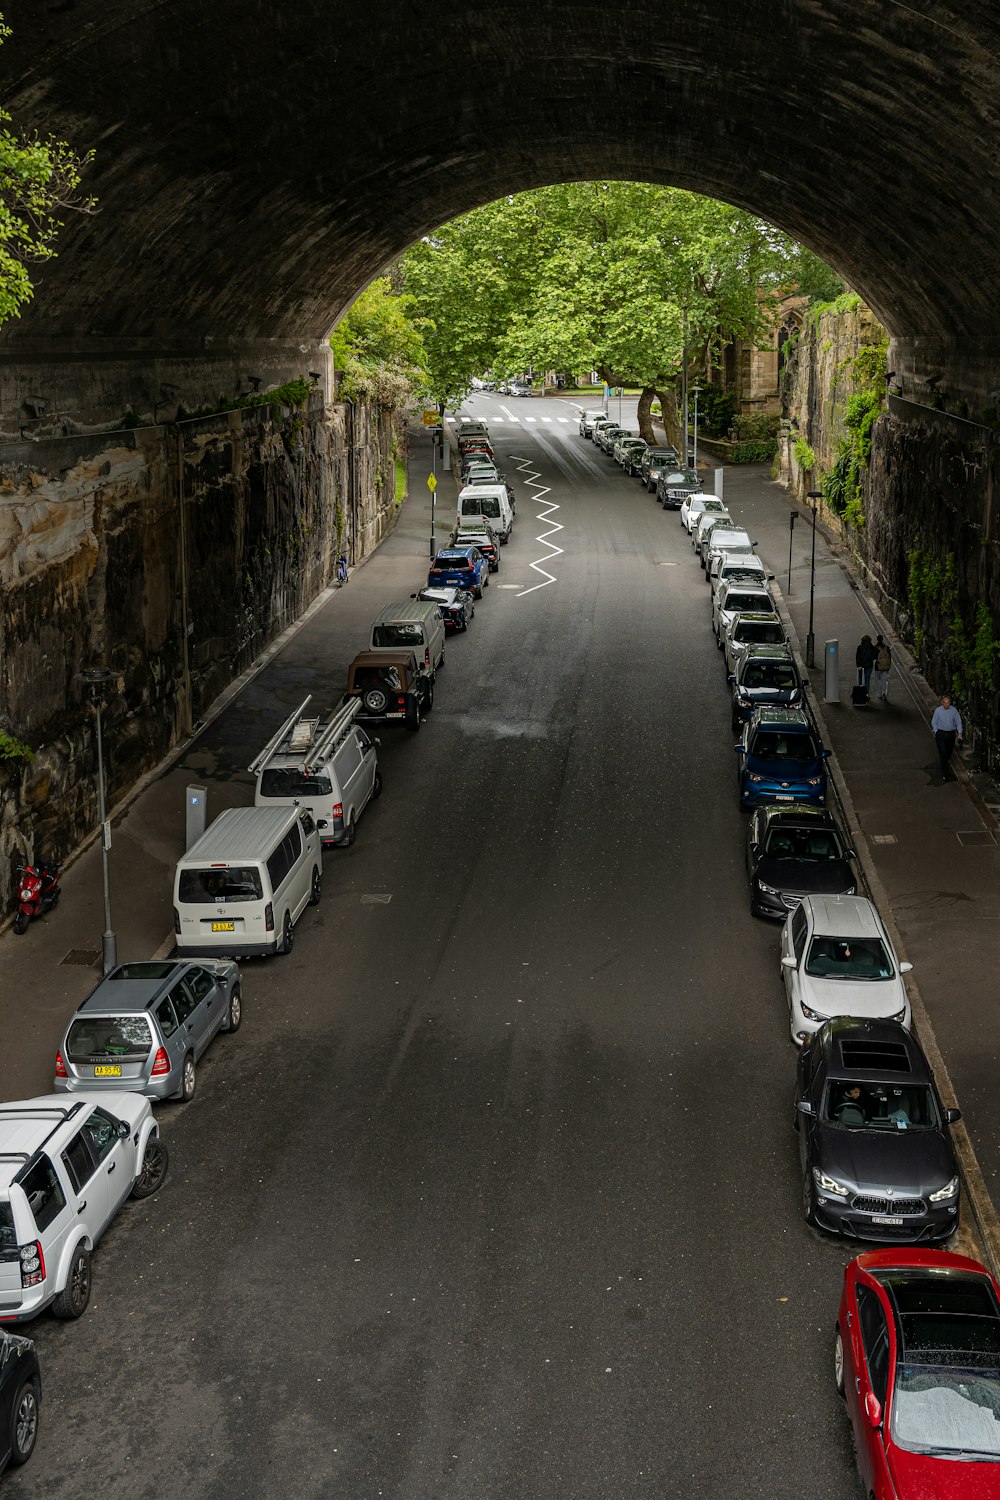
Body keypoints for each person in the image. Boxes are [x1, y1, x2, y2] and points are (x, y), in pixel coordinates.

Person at [931, 693, 963, 781]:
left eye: (948, 703)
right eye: (945, 702)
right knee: (943, 752)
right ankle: (945, 773)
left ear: (950, 703)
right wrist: (936, 731)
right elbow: (934, 722)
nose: (946, 704)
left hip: (951, 734)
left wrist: (959, 733)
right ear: (942, 702)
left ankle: (944, 762)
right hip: (941, 734)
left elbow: (958, 722)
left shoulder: (954, 711)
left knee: (948, 752)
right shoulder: (938, 711)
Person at [872, 635, 892, 701]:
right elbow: (890, 657)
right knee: (885, 680)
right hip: (886, 666)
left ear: (877, 639)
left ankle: (879, 693)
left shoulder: (875, 647)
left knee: (878, 680)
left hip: (878, 666)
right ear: (882, 639)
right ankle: (884, 693)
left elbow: (873, 657)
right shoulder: (887, 648)